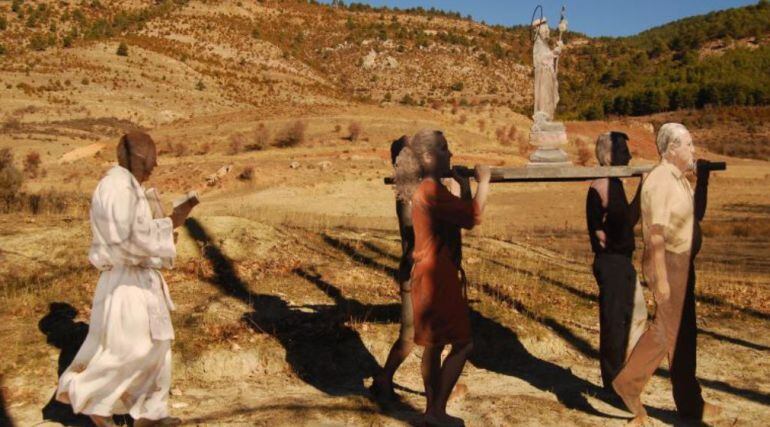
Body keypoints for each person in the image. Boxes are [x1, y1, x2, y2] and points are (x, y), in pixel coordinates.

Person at [56, 132, 196, 427]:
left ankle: (150, 415)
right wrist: (165, 238)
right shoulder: (117, 188)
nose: (156, 165)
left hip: (139, 281)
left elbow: (137, 233)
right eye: (154, 158)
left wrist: (171, 220)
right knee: (132, 350)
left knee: (157, 349)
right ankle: (91, 397)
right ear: (141, 156)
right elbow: (127, 243)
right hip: (126, 285)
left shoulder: (128, 188)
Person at [612, 124, 721, 425]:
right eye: (688, 144)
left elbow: (694, 216)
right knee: (665, 332)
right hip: (669, 263)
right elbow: (655, 233)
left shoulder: (679, 179)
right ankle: (628, 383)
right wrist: (659, 277)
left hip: (683, 264)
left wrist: (704, 181)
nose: (693, 150)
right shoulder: (660, 181)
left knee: (684, 336)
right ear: (671, 148)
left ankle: (690, 404)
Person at [394, 129, 491, 426]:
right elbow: (473, 217)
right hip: (438, 276)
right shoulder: (431, 190)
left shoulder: (423, 189)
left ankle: (431, 411)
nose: (451, 154)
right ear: (428, 157)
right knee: (463, 344)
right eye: (445, 150)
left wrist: (463, 186)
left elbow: (457, 212)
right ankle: (437, 410)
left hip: (424, 273)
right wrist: (483, 181)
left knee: (434, 344)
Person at [586, 132, 647, 393]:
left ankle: (623, 381)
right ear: (609, 157)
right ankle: (615, 386)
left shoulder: (613, 183)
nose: (630, 156)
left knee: (632, 319)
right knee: (615, 325)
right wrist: (645, 187)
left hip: (618, 261)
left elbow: (625, 221)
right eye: (623, 151)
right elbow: (626, 222)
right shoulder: (605, 186)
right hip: (612, 262)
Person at [370, 135, 416, 400]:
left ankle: (441, 387)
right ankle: (384, 378)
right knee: (409, 337)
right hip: (416, 271)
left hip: (416, 270)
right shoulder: (407, 194)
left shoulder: (409, 191)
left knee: (434, 337)